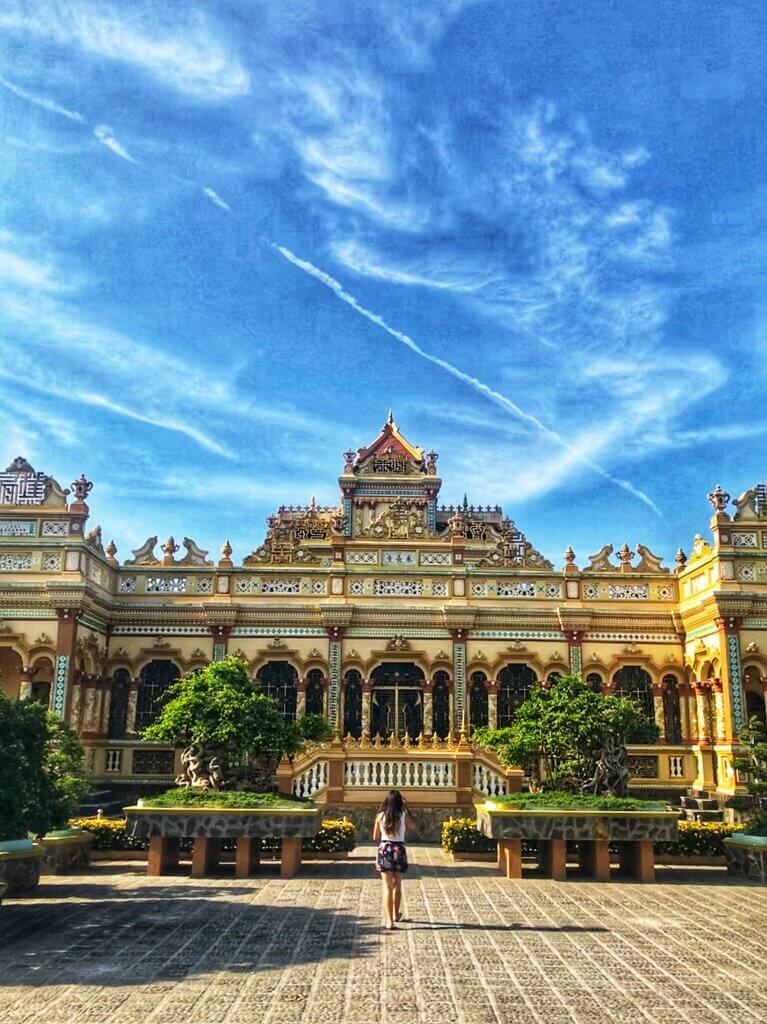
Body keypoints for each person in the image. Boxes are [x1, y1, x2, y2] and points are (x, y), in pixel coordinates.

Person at [373, 789, 415, 930]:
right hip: (399, 849)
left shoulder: (380, 816)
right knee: (398, 884)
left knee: (387, 887)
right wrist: (406, 807)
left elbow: (375, 837)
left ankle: (389, 920)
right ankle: (396, 913)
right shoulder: (403, 815)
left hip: (385, 848)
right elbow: (413, 826)